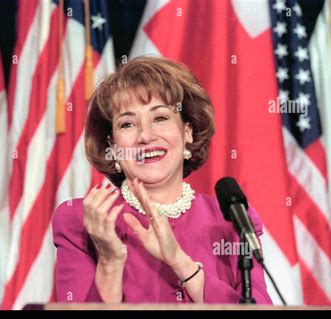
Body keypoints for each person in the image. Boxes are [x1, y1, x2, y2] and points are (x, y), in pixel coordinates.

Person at [52, 56, 272, 304]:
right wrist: (109, 262)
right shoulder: (80, 221)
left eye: (160, 118)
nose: (145, 136)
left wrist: (179, 261)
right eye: (127, 124)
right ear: (112, 145)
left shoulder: (233, 220)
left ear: (187, 131)